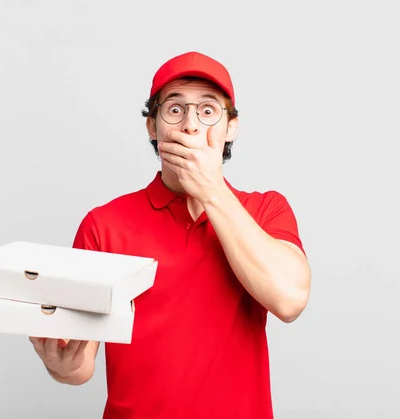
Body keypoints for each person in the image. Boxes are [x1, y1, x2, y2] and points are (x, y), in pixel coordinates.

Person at [29, 51, 312, 419]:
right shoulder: (104, 225)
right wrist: (62, 365)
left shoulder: (266, 211)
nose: (190, 126)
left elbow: (289, 300)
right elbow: (81, 364)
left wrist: (211, 191)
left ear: (231, 127)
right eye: (175, 110)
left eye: (208, 111)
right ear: (152, 126)